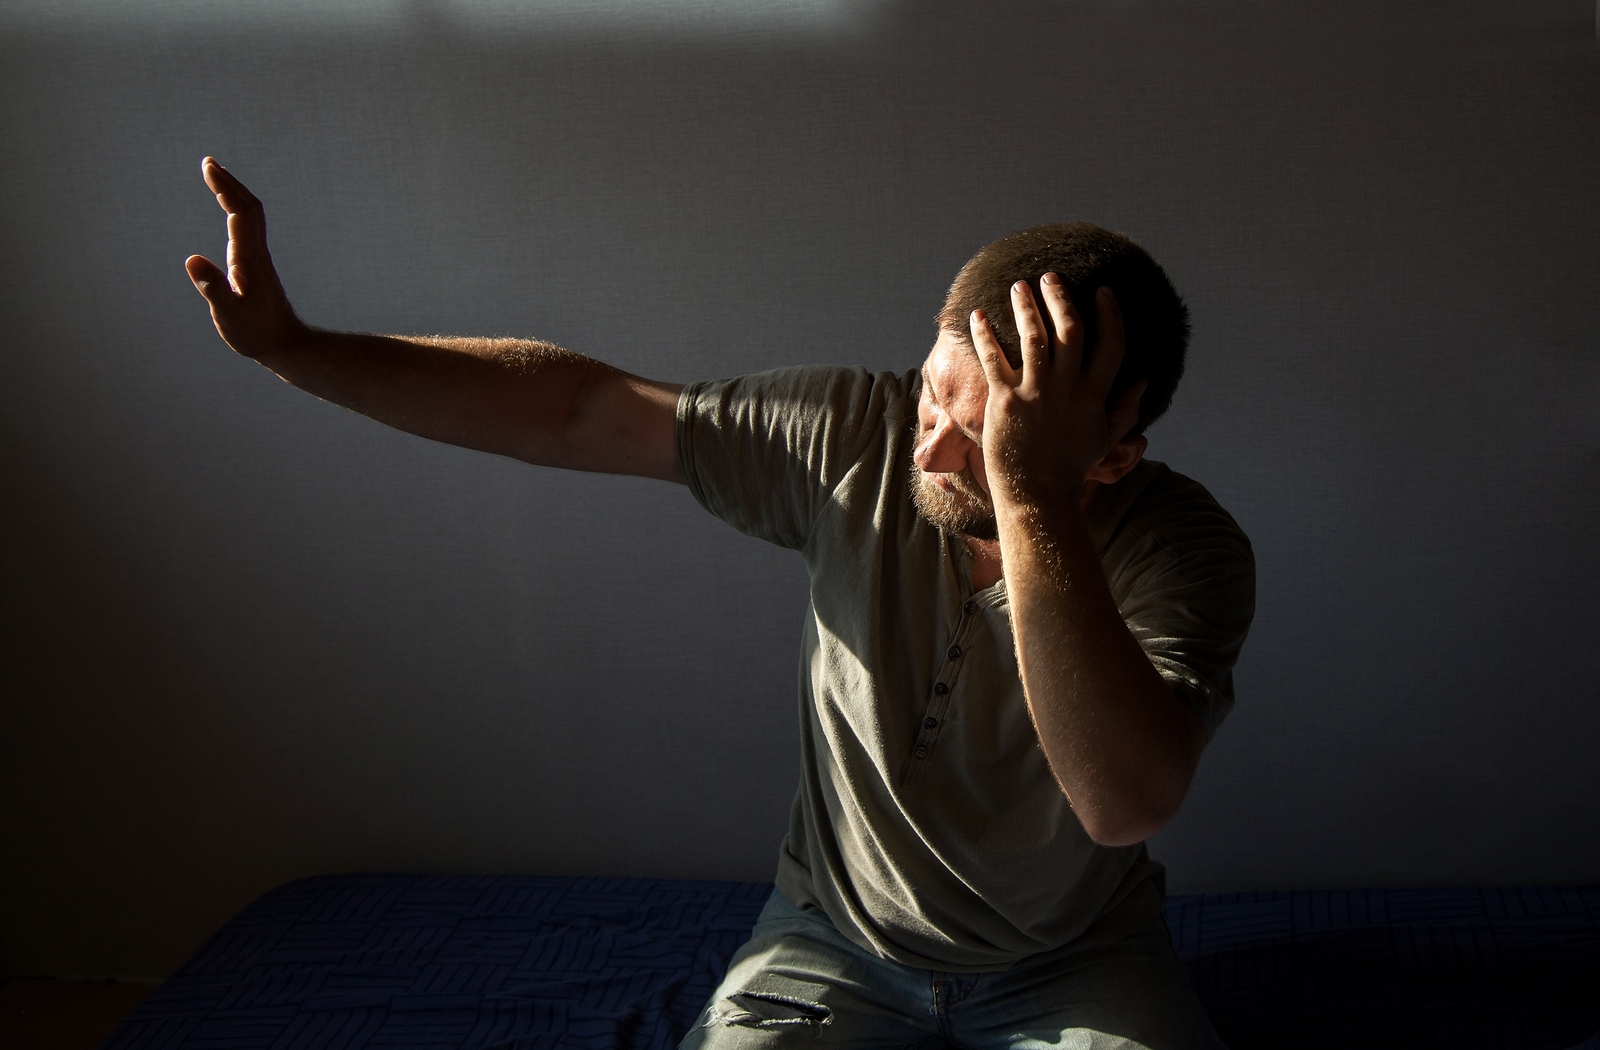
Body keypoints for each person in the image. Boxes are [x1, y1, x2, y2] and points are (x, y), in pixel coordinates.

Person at [187, 156, 1254, 1050]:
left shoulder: (1183, 549)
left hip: (1075, 964)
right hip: (831, 945)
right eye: (935, 391)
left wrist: (1028, 495)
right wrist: (298, 349)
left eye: (983, 439)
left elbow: (1124, 803)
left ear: (1110, 460)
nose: (926, 445)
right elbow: (578, 411)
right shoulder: (852, 433)